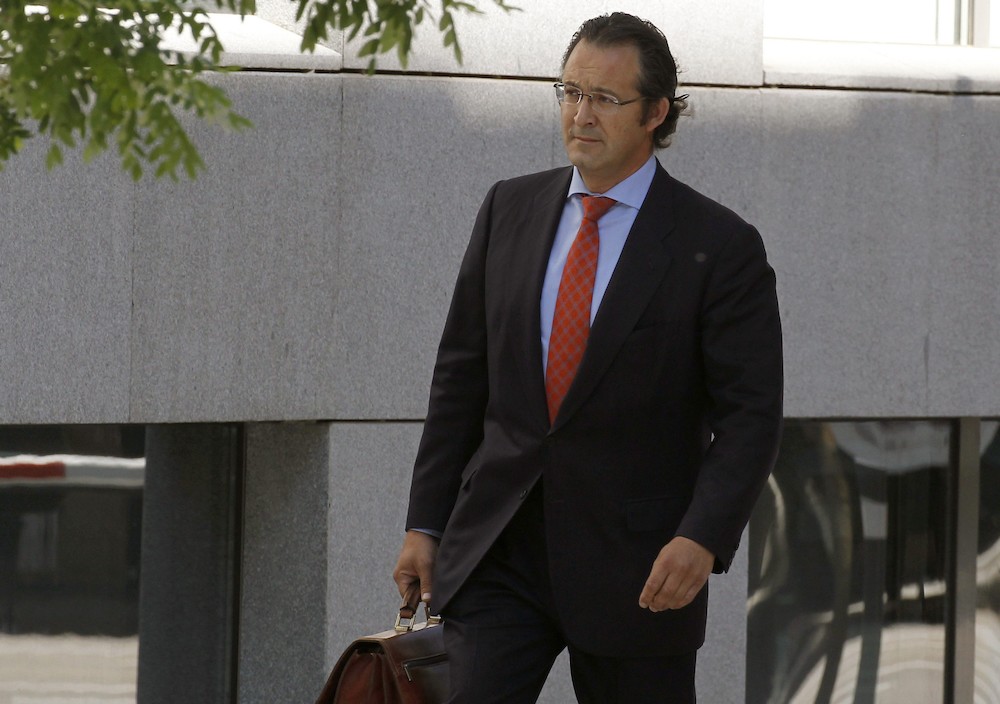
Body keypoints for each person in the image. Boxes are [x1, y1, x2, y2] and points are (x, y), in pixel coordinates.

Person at [393, 12, 783, 704]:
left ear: (656, 112)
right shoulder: (508, 208)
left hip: (639, 568)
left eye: (604, 98)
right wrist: (425, 523)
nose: (580, 115)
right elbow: (460, 378)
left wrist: (701, 537)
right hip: (499, 551)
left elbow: (750, 417)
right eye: (570, 92)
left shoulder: (721, 247)